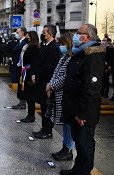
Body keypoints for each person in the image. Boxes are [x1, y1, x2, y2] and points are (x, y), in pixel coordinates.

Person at [60, 24, 105, 175]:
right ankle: (77, 169)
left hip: (84, 112)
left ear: (88, 37)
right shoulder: (81, 53)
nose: (76, 35)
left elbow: (91, 89)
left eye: (79, 33)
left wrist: (81, 114)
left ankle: (84, 173)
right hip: (74, 108)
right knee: (78, 142)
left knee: (86, 143)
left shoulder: (93, 56)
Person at [46, 33, 75, 161]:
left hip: (65, 94)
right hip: (58, 93)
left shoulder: (71, 57)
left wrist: (52, 86)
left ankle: (69, 149)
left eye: (62, 43)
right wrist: (50, 84)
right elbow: (56, 72)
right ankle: (64, 147)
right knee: (64, 122)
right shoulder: (64, 56)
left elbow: (65, 77)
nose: (60, 46)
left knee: (68, 123)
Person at [31, 24, 60, 139]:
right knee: (43, 107)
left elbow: (50, 67)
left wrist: (47, 82)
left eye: (44, 33)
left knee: (47, 107)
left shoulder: (54, 48)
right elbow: (38, 62)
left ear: (51, 34)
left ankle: (48, 131)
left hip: (47, 82)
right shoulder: (44, 45)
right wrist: (35, 74)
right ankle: (44, 128)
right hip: (41, 81)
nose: (42, 34)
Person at [17, 31, 40, 123]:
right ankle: (30, 114)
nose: (26, 37)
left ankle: (31, 115)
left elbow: (34, 61)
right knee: (27, 94)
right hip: (26, 71)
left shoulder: (34, 47)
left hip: (30, 72)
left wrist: (31, 73)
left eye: (28, 36)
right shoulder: (28, 46)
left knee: (30, 95)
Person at [11, 27, 28, 110]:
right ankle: (21, 102)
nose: (16, 34)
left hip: (22, 67)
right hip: (17, 66)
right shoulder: (19, 42)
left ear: (22, 33)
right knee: (19, 84)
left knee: (21, 85)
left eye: (18, 32)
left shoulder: (24, 42)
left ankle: (23, 102)